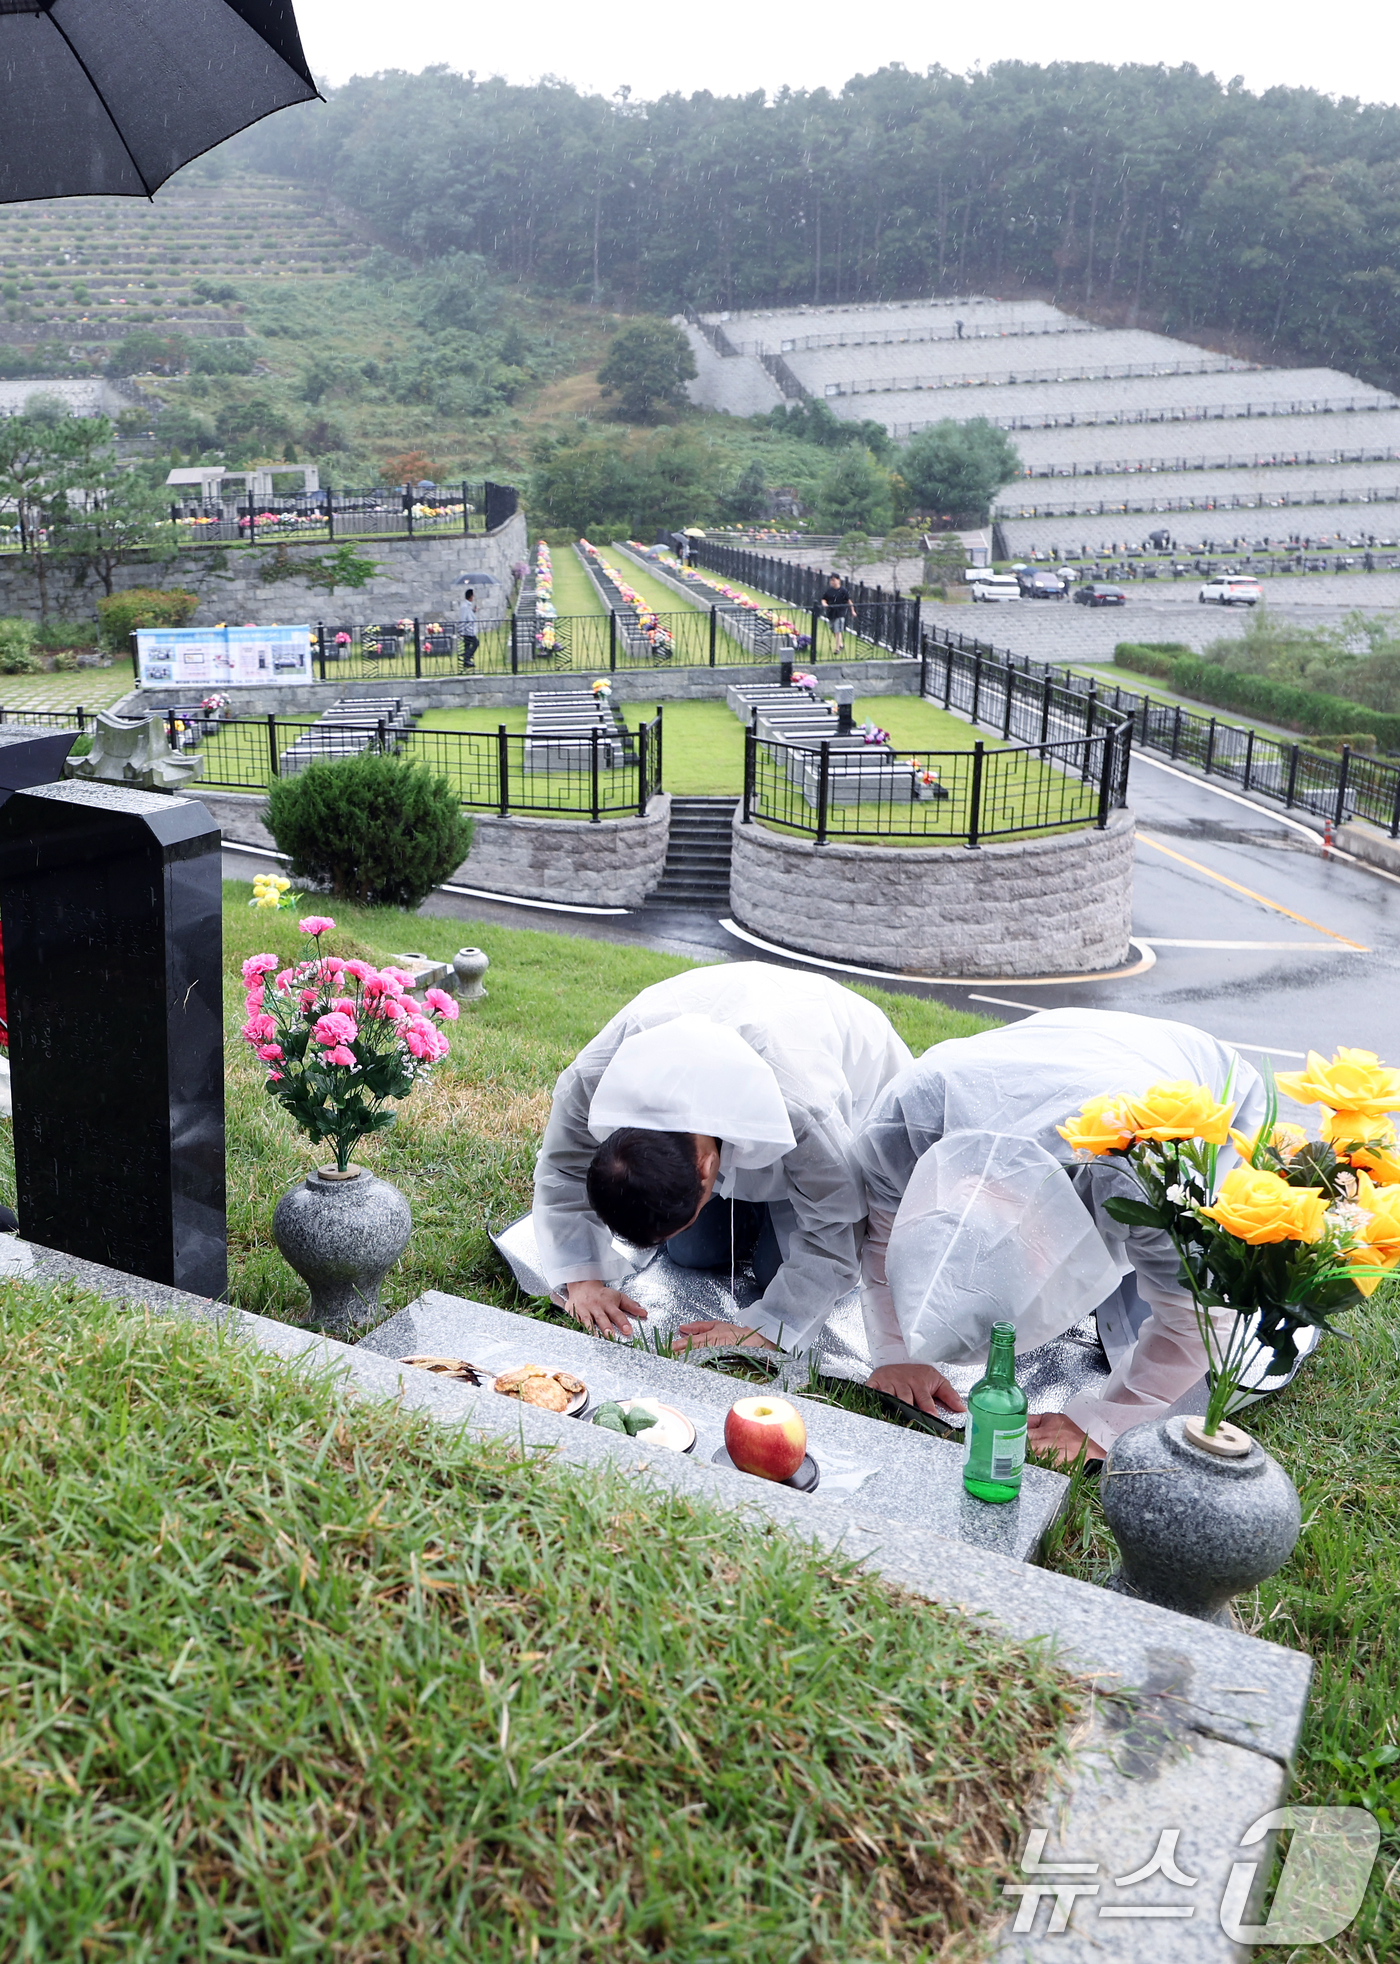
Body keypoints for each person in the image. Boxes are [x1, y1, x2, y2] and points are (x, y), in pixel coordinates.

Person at [853, 1008, 1266, 1465]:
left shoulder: (1147, 1171)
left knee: (1173, 1302)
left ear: (1049, 1252)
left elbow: (1199, 1318)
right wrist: (898, 1351)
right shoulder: (910, 1120)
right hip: (1061, 1056)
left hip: (1198, 1097)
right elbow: (885, 1235)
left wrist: (1105, 1426)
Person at [532, 964, 912, 1353]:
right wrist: (582, 1276)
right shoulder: (597, 1078)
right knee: (692, 1251)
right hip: (733, 1033)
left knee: (771, 1271)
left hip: (842, 1079)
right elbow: (564, 1165)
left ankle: (765, 1214)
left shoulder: (801, 1109)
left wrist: (771, 1327)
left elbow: (838, 1221)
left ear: (705, 1168)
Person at [821, 573, 852, 650]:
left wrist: (853, 611)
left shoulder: (843, 591)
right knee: (833, 629)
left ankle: (837, 648)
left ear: (838, 580)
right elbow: (824, 599)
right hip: (831, 613)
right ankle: (840, 644)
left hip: (840, 613)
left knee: (838, 630)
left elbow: (849, 601)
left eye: (834, 580)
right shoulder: (829, 591)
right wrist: (824, 604)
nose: (832, 582)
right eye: (831, 580)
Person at [457, 586, 479, 670]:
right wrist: (461, 630)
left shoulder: (467, 606)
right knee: (476, 643)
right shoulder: (465, 606)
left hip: (469, 629)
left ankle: (466, 662)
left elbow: (468, 616)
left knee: (468, 645)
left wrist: (473, 611)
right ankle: (467, 657)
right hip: (467, 630)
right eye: (473, 596)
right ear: (470, 596)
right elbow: (463, 618)